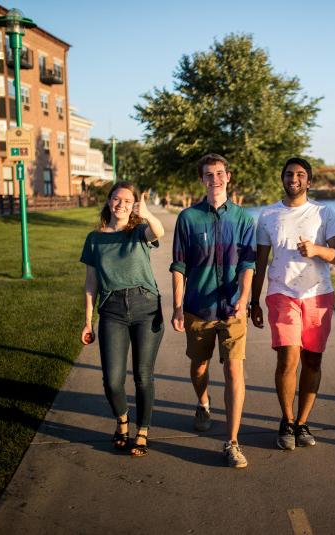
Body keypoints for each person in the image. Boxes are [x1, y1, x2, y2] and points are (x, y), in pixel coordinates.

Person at [250, 157, 335, 450]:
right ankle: (287, 419)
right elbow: (260, 261)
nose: (294, 178)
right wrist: (254, 301)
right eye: (290, 173)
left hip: (318, 295)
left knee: (313, 360)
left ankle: (303, 422)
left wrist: (319, 250)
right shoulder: (268, 214)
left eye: (301, 174)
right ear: (282, 178)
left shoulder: (324, 212)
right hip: (282, 292)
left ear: (309, 181)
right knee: (288, 358)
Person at [170, 153, 256, 469]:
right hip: (198, 308)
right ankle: (203, 402)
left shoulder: (244, 219)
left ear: (228, 177)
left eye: (220, 173)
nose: (215, 179)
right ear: (202, 179)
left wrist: (244, 297)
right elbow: (179, 265)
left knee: (234, 370)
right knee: (199, 366)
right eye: (209, 174)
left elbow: (248, 263)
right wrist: (178, 307)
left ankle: (232, 442)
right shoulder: (188, 219)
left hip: (233, 308)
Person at [80, 181, 165, 457]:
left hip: (145, 306)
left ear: (133, 206)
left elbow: (159, 231)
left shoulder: (140, 231)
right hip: (112, 310)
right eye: (117, 199)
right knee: (113, 380)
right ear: (108, 202)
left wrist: (147, 212)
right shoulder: (95, 239)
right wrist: (87, 320)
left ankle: (142, 430)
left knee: (143, 376)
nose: (121, 205)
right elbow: (91, 282)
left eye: (127, 201)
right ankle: (122, 420)